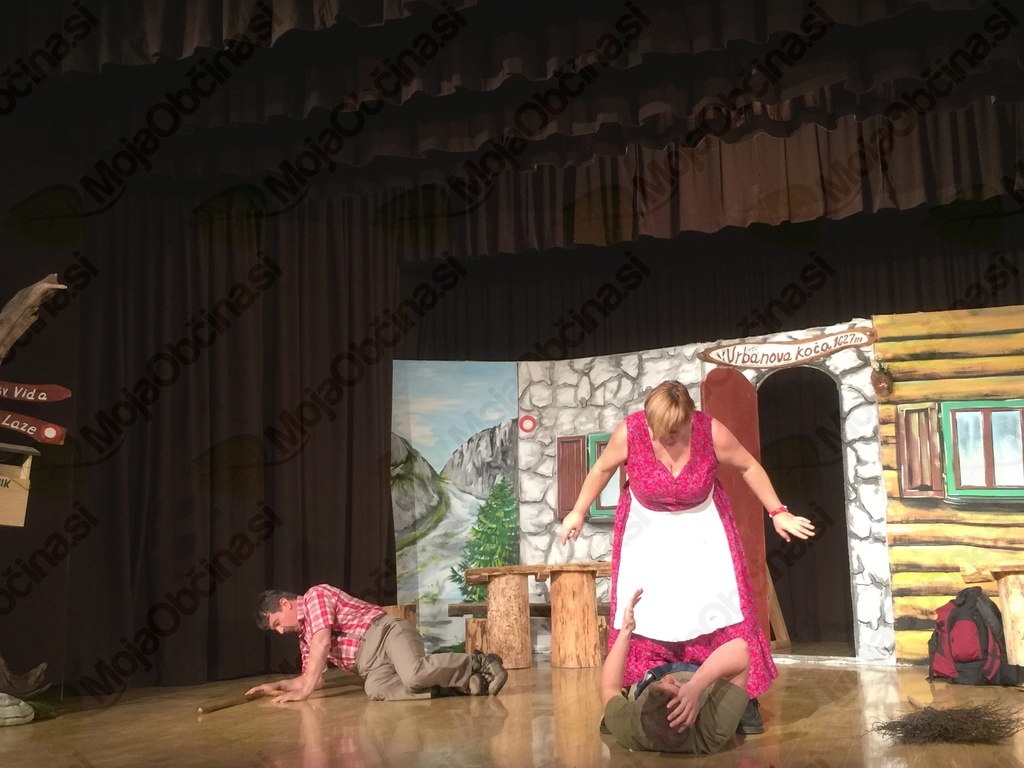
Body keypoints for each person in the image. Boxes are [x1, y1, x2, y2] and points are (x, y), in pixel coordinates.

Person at [560, 380, 815, 733]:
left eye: (674, 429)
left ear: (688, 419)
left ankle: (740, 697)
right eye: (657, 428)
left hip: (704, 530)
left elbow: (748, 466)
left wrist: (778, 511)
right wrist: (577, 511)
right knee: (646, 611)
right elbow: (602, 469)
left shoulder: (711, 432)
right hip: (646, 533)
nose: (664, 436)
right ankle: (634, 692)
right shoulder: (631, 432)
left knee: (719, 605)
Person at [248, 584, 508, 702]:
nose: (280, 631)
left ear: (285, 604)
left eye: (277, 623)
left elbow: (322, 641)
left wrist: (303, 692)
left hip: (386, 634)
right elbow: (313, 680)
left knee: (414, 674)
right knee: (375, 689)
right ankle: (459, 686)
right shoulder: (305, 637)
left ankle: (481, 662)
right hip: (371, 667)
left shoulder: (315, 596)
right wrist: (278, 686)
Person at [601, 588, 751, 754]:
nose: (668, 678)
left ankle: (662, 687)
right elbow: (739, 649)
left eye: (657, 688)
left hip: (654, 672)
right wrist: (694, 686)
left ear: (641, 709)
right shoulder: (712, 732)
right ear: (692, 716)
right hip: (701, 672)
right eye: (677, 688)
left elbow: (609, 687)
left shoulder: (632, 730)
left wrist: (626, 629)